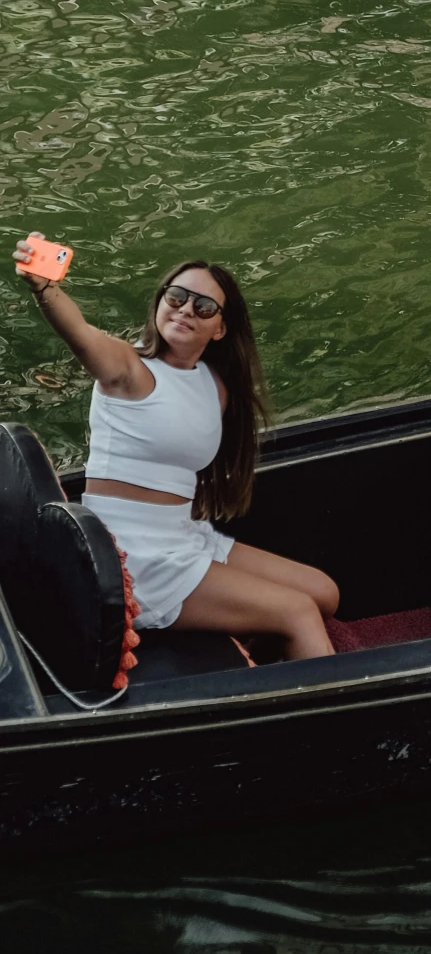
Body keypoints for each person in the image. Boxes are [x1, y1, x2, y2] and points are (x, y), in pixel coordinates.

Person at [15, 252, 339, 658]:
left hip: (182, 536)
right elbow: (77, 331)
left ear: (220, 328)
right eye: (176, 297)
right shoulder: (127, 368)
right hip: (133, 553)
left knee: (324, 593)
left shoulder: (213, 382)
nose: (186, 309)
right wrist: (44, 288)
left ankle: (259, 661)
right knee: (299, 612)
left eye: (203, 307)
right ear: (160, 303)